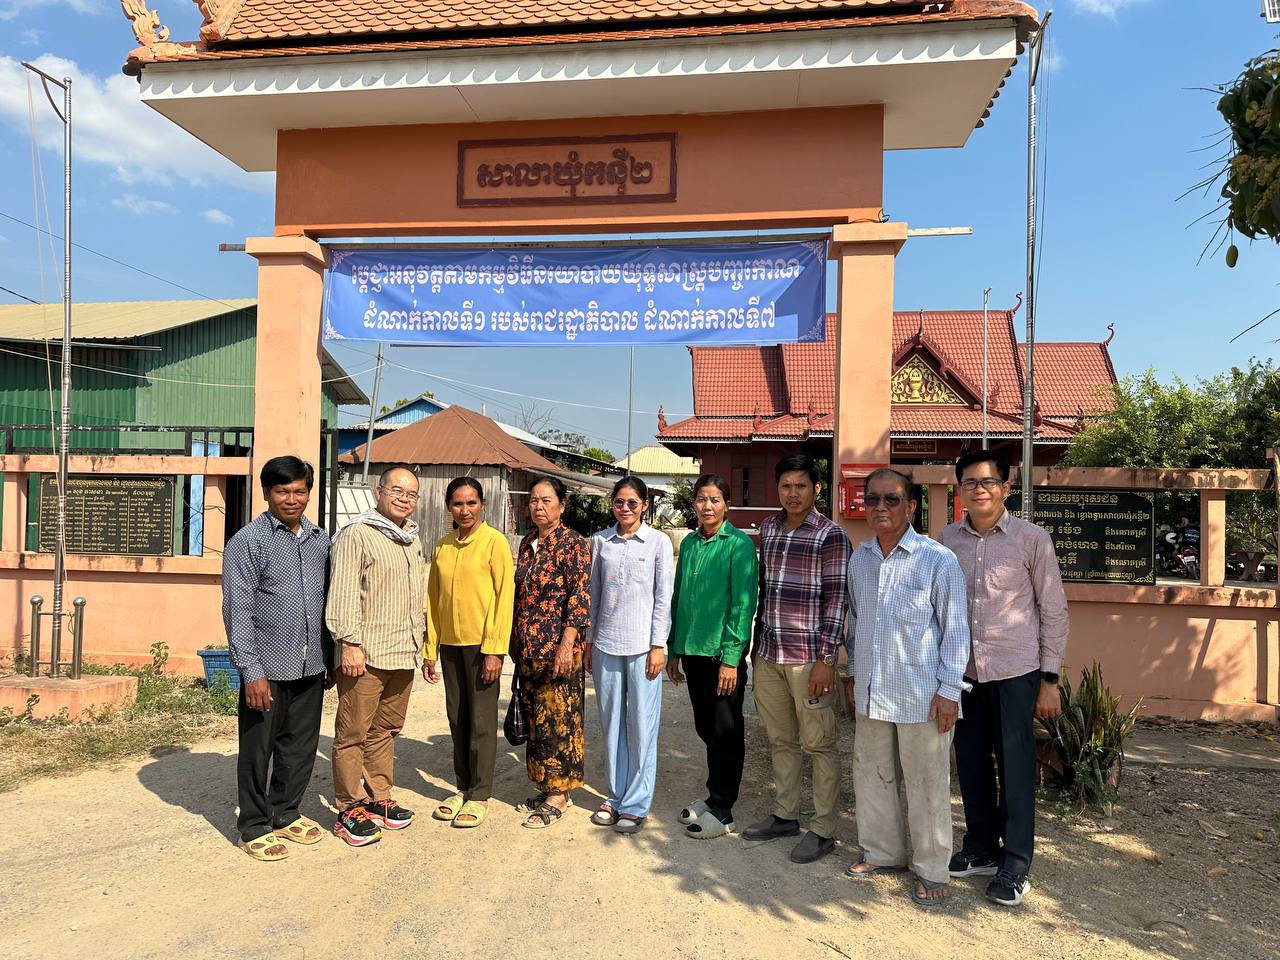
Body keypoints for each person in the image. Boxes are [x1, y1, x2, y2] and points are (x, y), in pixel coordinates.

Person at [939, 450, 1068, 907]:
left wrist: (1049, 679)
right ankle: (980, 847)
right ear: (959, 490)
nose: (979, 490)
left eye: (988, 481)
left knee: (1015, 771)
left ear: (1006, 488)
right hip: (964, 674)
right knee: (971, 763)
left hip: (1016, 672)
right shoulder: (946, 541)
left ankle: (1014, 864)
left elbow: (1053, 609)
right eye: (970, 482)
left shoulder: (1032, 540)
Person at [844, 468, 970, 908]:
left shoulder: (937, 560)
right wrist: (854, 674)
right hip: (873, 688)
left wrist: (949, 691)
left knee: (927, 785)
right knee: (872, 776)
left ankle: (933, 869)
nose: (880, 507)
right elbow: (856, 622)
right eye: (872, 499)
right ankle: (883, 853)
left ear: (911, 506)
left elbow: (956, 630)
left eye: (891, 499)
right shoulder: (860, 559)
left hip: (922, 696)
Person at [221, 456, 331, 861]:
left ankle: (285, 812)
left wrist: (331, 657)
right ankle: (253, 825)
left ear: (309, 493)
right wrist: (251, 671)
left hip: (311, 664)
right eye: (282, 491)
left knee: (299, 747)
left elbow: (328, 602)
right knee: (257, 750)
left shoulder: (320, 540)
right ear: (267, 493)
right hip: (266, 669)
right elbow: (237, 610)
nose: (291, 499)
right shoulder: (247, 542)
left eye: (299, 491)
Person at [744, 453, 850, 864]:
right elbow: (765, 589)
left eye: (801, 486)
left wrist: (827, 659)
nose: (793, 493)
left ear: (816, 489)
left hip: (809, 658)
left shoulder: (831, 535)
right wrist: (755, 648)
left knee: (819, 744)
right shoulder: (769, 528)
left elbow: (837, 599)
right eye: (786, 485)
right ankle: (785, 815)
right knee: (780, 740)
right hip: (770, 654)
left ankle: (823, 829)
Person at [325, 465, 427, 847]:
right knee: (352, 732)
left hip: (401, 651)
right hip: (365, 653)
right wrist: (349, 643)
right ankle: (349, 807)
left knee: (385, 730)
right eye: (397, 491)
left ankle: (378, 797)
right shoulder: (357, 534)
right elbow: (344, 591)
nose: (404, 499)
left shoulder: (412, 538)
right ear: (378, 491)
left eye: (411, 494)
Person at [666, 474, 758, 839]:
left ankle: (723, 809)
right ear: (694, 504)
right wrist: (674, 649)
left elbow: (743, 605)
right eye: (702, 499)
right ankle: (713, 794)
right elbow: (679, 597)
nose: (707, 506)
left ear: (727, 505)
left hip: (722, 655)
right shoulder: (690, 543)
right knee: (706, 727)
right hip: (692, 650)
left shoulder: (738, 545)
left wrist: (732, 659)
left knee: (725, 731)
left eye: (715, 499)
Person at [421, 477, 514, 829]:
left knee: (481, 721)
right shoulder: (442, 547)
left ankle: (480, 793)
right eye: (458, 503)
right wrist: (430, 649)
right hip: (449, 646)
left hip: (481, 646)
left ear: (482, 504)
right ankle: (461, 787)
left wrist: (494, 650)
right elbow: (433, 600)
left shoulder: (494, 542)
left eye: (471, 503)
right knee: (457, 717)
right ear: (449, 507)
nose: (465, 510)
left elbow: (504, 598)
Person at [585, 476, 673, 834]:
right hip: (606, 644)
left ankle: (636, 803)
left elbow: (663, 597)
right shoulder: (600, 541)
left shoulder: (658, 542)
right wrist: (589, 641)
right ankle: (615, 794)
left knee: (641, 725)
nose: (625, 508)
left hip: (643, 648)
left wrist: (658, 644)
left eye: (632, 503)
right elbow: (593, 594)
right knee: (611, 724)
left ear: (644, 505)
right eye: (619, 502)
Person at [511, 477, 591, 829]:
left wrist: (566, 645)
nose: (539, 506)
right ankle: (546, 785)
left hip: (558, 648)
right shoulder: (528, 543)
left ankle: (560, 793)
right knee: (535, 719)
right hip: (528, 646)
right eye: (533, 500)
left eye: (546, 500)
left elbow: (579, 597)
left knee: (560, 720)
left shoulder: (574, 543)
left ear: (562, 505)